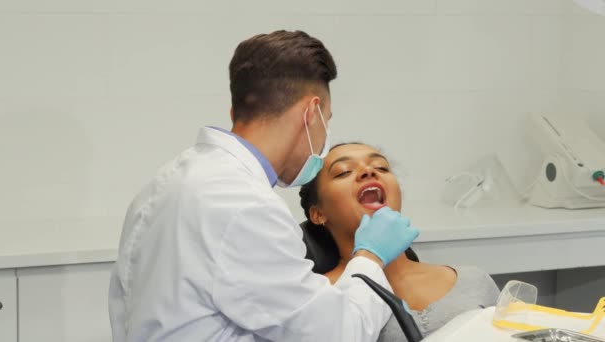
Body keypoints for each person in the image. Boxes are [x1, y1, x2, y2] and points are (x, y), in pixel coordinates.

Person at [108, 30, 419, 342]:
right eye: (327, 119)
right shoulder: (243, 204)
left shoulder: (166, 182)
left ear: (236, 112)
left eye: (380, 166)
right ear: (310, 114)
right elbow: (337, 334)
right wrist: (371, 256)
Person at [299, 143, 501, 342]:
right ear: (318, 214)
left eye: (381, 167)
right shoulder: (318, 298)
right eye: (344, 172)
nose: (368, 171)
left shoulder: (475, 282)